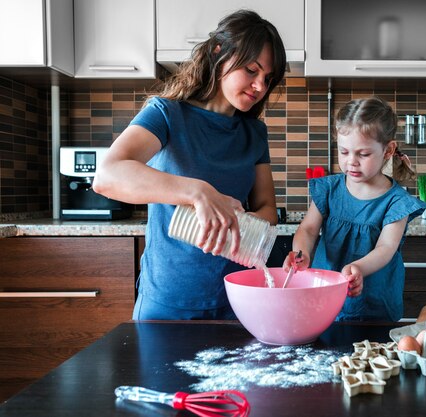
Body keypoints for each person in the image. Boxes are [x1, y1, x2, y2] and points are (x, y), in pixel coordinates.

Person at [92, 10, 287, 320]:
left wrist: (241, 221)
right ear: (218, 52)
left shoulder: (254, 133)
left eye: (268, 79)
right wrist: (198, 192)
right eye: (252, 70)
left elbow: (267, 210)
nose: (260, 86)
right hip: (169, 301)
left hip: (237, 301)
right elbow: (107, 175)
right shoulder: (167, 114)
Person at [283, 97, 426, 322]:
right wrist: (301, 253)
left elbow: (386, 248)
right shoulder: (330, 189)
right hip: (323, 299)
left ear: (388, 150)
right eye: (344, 152)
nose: (351, 161)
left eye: (363, 154)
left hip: (373, 305)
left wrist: (358, 267)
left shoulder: (396, 201)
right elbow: (309, 229)